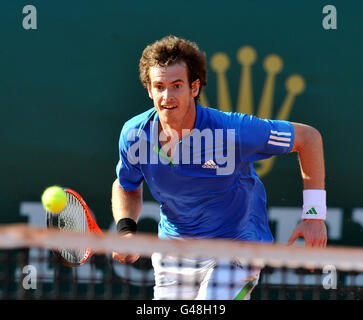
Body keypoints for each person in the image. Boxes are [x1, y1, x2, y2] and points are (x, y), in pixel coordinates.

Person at [111, 35, 327, 300]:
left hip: (235, 247)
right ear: (149, 90)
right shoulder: (134, 135)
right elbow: (126, 186)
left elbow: (309, 139)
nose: (167, 96)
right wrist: (125, 231)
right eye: (159, 86)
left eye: (177, 85)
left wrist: (314, 215)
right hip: (174, 252)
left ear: (194, 87)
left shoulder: (232, 131)